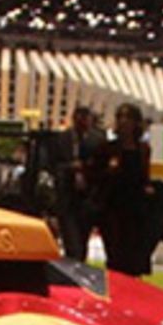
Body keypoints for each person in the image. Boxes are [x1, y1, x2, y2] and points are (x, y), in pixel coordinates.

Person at [95, 103, 154, 276]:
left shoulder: (143, 149)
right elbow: (96, 175)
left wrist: (148, 188)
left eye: (128, 117)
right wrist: (109, 171)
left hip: (135, 208)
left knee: (133, 252)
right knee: (115, 252)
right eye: (120, 117)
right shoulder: (107, 148)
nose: (123, 121)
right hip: (113, 205)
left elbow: (144, 176)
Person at [51, 106, 102, 262]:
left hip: (87, 199)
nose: (82, 123)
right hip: (67, 198)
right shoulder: (61, 139)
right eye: (79, 119)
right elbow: (53, 165)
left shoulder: (97, 141)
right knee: (72, 244)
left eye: (85, 119)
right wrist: (69, 168)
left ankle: (79, 268)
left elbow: (100, 168)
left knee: (82, 242)